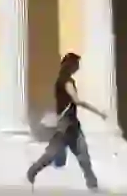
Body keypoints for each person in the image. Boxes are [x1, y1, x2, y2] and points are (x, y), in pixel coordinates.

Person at [26, 52, 103, 191]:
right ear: (71, 65)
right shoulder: (66, 81)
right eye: (77, 63)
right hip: (66, 125)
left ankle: (93, 185)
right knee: (54, 154)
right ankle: (33, 170)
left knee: (82, 154)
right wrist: (98, 112)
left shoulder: (61, 80)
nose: (78, 66)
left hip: (72, 125)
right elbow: (77, 100)